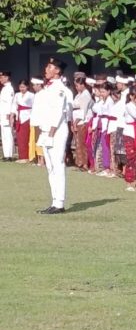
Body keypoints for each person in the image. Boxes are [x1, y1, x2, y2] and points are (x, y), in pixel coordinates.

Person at [36, 58, 70, 214]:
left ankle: (59, 203)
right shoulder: (48, 88)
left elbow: (57, 113)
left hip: (56, 131)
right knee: (50, 167)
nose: (46, 69)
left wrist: (50, 133)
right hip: (46, 130)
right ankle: (54, 201)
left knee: (57, 166)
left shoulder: (59, 88)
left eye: (50, 67)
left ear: (57, 70)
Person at [71, 77, 92, 170]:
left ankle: (84, 164)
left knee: (82, 143)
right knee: (78, 143)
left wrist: (75, 122)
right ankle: (79, 162)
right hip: (76, 120)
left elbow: (83, 111)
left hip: (82, 121)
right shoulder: (78, 95)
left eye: (77, 85)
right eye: (75, 86)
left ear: (83, 85)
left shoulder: (86, 95)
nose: (76, 88)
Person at [11, 80, 34, 163]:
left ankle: (26, 157)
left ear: (27, 87)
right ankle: (21, 156)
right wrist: (12, 115)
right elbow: (14, 105)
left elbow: (34, 106)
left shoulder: (31, 95)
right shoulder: (17, 95)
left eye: (23, 87)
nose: (22, 89)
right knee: (19, 137)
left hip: (27, 116)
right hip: (19, 116)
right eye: (20, 87)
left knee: (25, 137)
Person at [0, 70, 15, 161]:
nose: (0, 79)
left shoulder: (9, 88)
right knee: (4, 135)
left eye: (2, 77)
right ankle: (6, 154)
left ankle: (9, 155)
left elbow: (9, 103)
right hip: (2, 114)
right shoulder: (4, 88)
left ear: (7, 78)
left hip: (6, 114)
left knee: (8, 134)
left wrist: (8, 114)